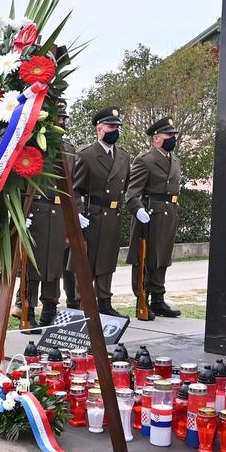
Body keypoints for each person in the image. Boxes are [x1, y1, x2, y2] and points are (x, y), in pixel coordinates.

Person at [73, 107, 130, 317]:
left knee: (107, 260)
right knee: (88, 261)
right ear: (99, 130)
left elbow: (126, 187)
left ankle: (105, 301)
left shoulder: (123, 156)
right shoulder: (86, 155)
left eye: (116, 127)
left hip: (113, 215)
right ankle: (83, 300)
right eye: (110, 126)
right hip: (93, 215)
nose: (114, 130)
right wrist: (78, 212)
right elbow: (74, 188)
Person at [127, 116, 184, 318]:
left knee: (162, 258)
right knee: (145, 258)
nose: (173, 138)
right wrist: (138, 209)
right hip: (150, 214)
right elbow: (132, 192)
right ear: (156, 138)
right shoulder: (145, 160)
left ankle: (158, 299)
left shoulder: (175, 160)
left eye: (174, 135)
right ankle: (142, 298)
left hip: (168, 214)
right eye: (169, 135)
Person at [24, 184, 67, 327]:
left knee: (54, 266)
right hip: (36, 215)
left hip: (59, 213)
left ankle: (49, 310)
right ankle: (27, 310)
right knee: (33, 265)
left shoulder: (68, 160)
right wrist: (22, 213)